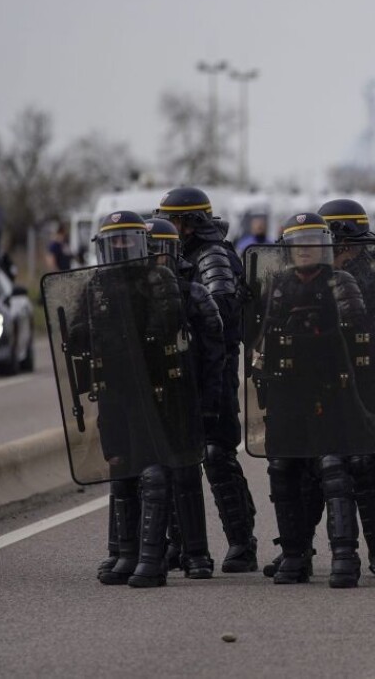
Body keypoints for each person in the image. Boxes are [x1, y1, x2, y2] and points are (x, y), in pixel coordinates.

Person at [67, 211, 192, 588]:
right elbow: (78, 332)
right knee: (121, 470)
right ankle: (126, 553)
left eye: (128, 239)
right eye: (115, 240)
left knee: (152, 472)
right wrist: (78, 337)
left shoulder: (159, 279)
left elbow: (169, 324)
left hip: (152, 392)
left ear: (141, 242)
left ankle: (152, 561)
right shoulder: (96, 284)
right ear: (105, 246)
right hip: (113, 393)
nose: (122, 247)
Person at [248, 212, 373, 588]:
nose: (305, 250)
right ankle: (293, 555)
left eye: (312, 242)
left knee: (333, 469)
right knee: (283, 470)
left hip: (329, 390)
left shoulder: (341, 282)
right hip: (287, 391)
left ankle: (344, 557)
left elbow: (359, 336)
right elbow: (263, 334)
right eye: (298, 244)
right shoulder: (279, 284)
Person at [154, 187, 259, 572]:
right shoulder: (166, 253)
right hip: (173, 369)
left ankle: (242, 543)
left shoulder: (213, 256)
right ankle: (181, 544)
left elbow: (223, 316)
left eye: (176, 219)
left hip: (213, 366)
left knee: (216, 454)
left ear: (193, 222)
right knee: (174, 458)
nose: (170, 226)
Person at [318, 197, 375, 579]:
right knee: (318, 462)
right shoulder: (312, 270)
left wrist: (364, 355)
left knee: (366, 460)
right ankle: (298, 550)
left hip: (365, 376)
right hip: (318, 381)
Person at [143, 217, 225, 580]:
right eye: (149, 252)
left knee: (187, 475)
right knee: (143, 477)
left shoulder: (193, 293)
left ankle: (197, 555)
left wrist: (210, 403)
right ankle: (137, 553)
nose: (156, 259)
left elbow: (213, 354)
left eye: (162, 252)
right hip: (142, 398)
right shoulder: (127, 293)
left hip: (183, 395)